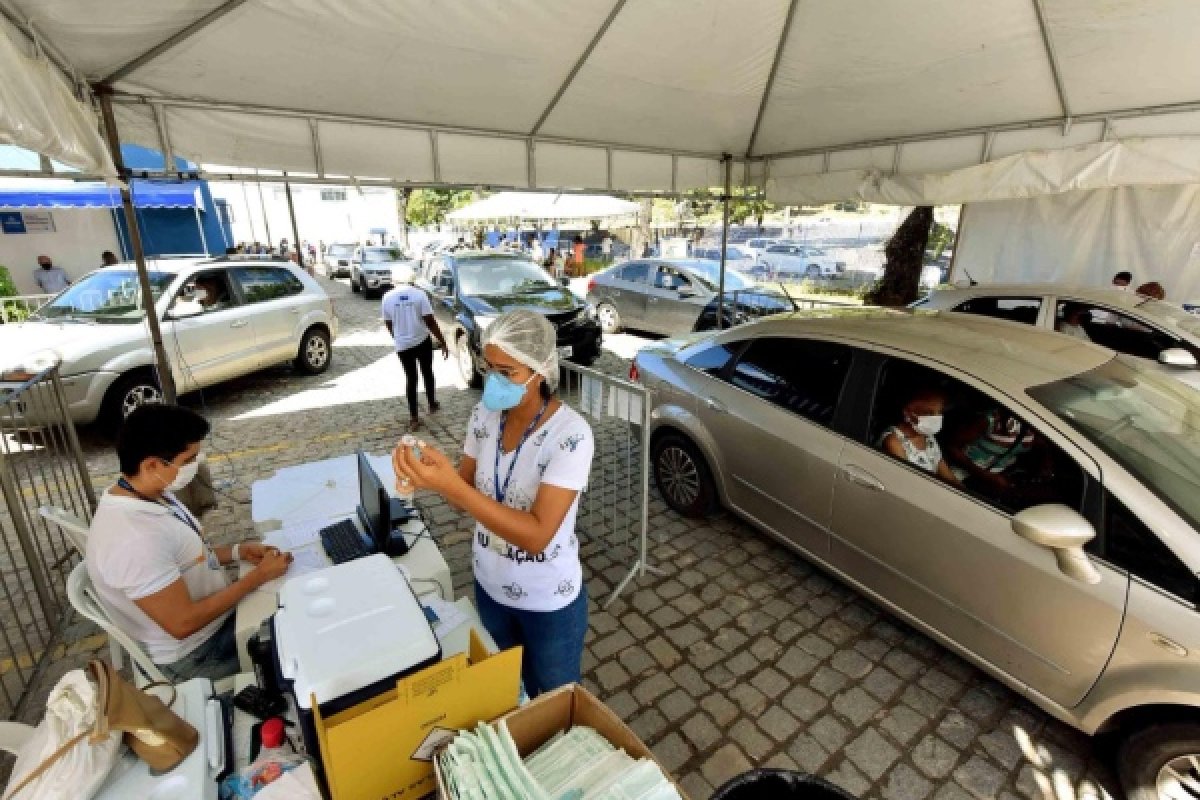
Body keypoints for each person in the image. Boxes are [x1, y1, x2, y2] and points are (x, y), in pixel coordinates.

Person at [393, 310, 593, 699]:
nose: (494, 380)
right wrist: (428, 475)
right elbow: (461, 497)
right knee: (506, 691)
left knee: (556, 696)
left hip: (547, 600)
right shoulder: (483, 416)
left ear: (540, 371)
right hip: (490, 587)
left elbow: (537, 536)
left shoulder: (571, 436)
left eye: (507, 372)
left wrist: (453, 486)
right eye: (489, 368)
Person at [85, 405, 292, 682]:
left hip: (214, 626)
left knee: (293, 601)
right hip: (198, 654)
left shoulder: (145, 492)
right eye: (188, 459)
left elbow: (184, 558)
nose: (196, 464)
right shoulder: (134, 539)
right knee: (300, 637)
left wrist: (237, 551)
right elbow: (183, 623)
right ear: (151, 465)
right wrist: (258, 577)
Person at [381, 277, 449, 432]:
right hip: (422, 340)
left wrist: (397, 337)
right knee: (427, 372)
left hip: (403, 345)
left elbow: (388, 322)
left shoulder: (387, 297)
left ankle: (414, 418)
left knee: (411, 378)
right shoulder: (419, 294)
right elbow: (430, 321)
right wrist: (442, 341)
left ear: (393, 280)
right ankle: (432, 403)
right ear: (412, 280)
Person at [880, 388, 962, 487]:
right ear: (907, 412)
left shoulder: (928, 437)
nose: (936, 419)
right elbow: (906, 484)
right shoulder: (894, 442)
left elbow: (949, 477)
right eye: (929, 413)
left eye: (939, 412)